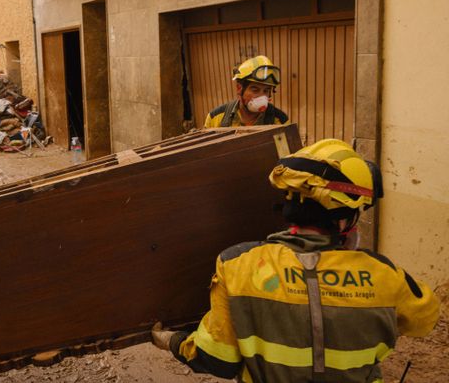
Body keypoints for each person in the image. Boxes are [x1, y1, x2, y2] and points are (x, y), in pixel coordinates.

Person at [151, 139, 440, 382]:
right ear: (346, 217)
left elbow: (217, 360)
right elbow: (424, 320)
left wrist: (173, 341)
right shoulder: (386, 276)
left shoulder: (237, 264)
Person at [203, 55, 289, 127]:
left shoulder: (280, 121)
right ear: (239, 89)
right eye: (255, 90)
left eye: (266, 91)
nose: (261, 96)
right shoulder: (215, 118)